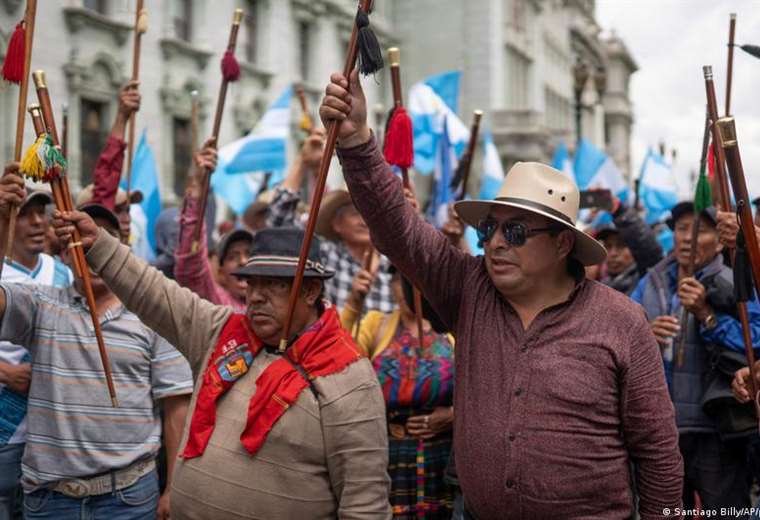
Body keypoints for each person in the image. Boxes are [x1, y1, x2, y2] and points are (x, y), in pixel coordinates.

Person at [320, 70, 682, 519]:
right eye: (489, 228)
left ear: (563, 243)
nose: (494, 243)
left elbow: (659, 450)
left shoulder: (622, 321)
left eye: (514, 231)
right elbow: (398, 229)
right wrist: (356, 142)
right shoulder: (469, 289)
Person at [51, 200, 392, 518]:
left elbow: (364, 502)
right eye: (251, 283)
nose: (255, 296)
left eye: (273, 285)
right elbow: (154, 292)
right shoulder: (223, 333)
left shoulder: (348, 377)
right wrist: (100, 244)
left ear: (310, 291)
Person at [0, 173, 193, 519]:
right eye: (79, 241)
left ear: (123, 251)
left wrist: (173, 488)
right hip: (50, 500)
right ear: (63, 255)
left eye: (103, 241)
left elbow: (176, 407)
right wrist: (2, 224)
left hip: (130, 500)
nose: (90, 250)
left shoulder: (154, 314)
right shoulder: (39, 305)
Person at [631, 201, 760, 513]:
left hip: (715, 432)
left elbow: (754, 341)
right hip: (661, 432)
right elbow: (618, 332)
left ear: (719, 240)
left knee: (725, 510)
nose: (687, 238)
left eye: (700, 230)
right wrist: (644, 332)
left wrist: (707, 315)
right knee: (667, 511)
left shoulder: (733, 280)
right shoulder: (652, 281)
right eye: (681, 228)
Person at [343, 266, 455, 518]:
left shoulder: (450, 329)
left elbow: (480, 388)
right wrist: (353, 303)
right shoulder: (376, 324)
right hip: (387, 455)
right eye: (399, 279)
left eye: (414, 279)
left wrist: (453, 415)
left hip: (442, 456)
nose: (407, 288)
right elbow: (339, 360)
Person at [0, 165, 72, 520]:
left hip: (49, 432)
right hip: (4, 430)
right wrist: (4, 372)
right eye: (24, 214)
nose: (36, 223)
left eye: (39, 214)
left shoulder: (63, 272)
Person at [267, 129, 397, 313]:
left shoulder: (395, 264)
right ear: (336, 224)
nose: (364, 221)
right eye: (355, 214)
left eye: (370, 214)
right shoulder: (324, 255)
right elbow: (279, 226)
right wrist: (302, 162)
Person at [174, 139, 253, 311]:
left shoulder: (280, 310)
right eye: (232, 257)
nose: (243, 261)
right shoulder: (219, 305)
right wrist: (196, 190)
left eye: (250, 254)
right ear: (221, 273)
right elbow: (190, 270)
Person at [76, 80, 143, 245]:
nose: (127, 219)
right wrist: (122, 118)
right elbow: (106, 180)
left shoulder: (129, 254)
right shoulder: (93, 255)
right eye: (118, 210)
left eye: (128, 210)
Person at [596, 196, 663, 295]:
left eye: (621, 246)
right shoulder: (599, 289)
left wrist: (619, 211)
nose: (613, 253)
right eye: (608, 246)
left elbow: (648, 248)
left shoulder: (647, 280)